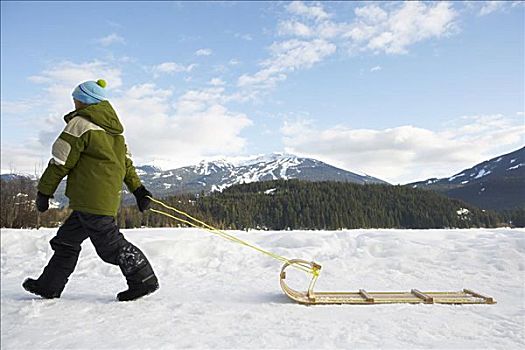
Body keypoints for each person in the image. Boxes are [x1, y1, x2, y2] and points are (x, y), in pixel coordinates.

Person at [23, 79, 159, 302]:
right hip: (97, 198)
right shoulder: (116, 133)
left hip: (90, 198)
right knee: (66, 241)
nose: (74, 103)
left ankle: (143, 279)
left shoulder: (81, 124)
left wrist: (44, 192)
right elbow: (126, 165)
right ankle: (49, 285)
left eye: (76, 99)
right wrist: (139, 190)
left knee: (110, 246)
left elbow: (60, 160)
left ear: (84, 101)